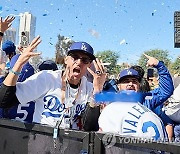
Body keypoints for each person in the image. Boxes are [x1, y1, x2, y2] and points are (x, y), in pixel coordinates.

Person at [0, 36, 106, 130]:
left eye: (85, 60)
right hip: (42, 142)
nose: (78, 62)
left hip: (71, 144)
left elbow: (89, 127)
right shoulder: (47, 78)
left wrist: (97, 91)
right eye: (75, 57)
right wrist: (18, 64)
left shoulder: (89, 88)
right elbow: (4, 101)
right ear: (66, 60)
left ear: (88, 65)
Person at [98, 54, 174, 140]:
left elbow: (166, 91)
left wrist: (159, 66)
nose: (130, 84)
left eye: (134, 81)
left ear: (139, 85)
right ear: (119, 86)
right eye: (126, 81)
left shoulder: (146, 100)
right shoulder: (111, 102)